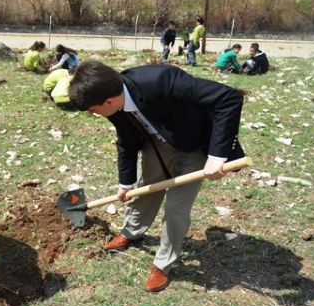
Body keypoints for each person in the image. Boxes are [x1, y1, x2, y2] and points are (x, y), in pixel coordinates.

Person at [68, 61, 244, 292]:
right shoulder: (111, 97)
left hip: (195, 144)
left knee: (175, 208)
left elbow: (228, 98)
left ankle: (163, 264)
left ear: (108, 102)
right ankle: (131, 232)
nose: (94, 115)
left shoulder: (160, 80)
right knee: (144, 189)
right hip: (159, 141)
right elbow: (126, 141)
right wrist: (125, 182)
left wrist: (217, 156)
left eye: (93, 111)